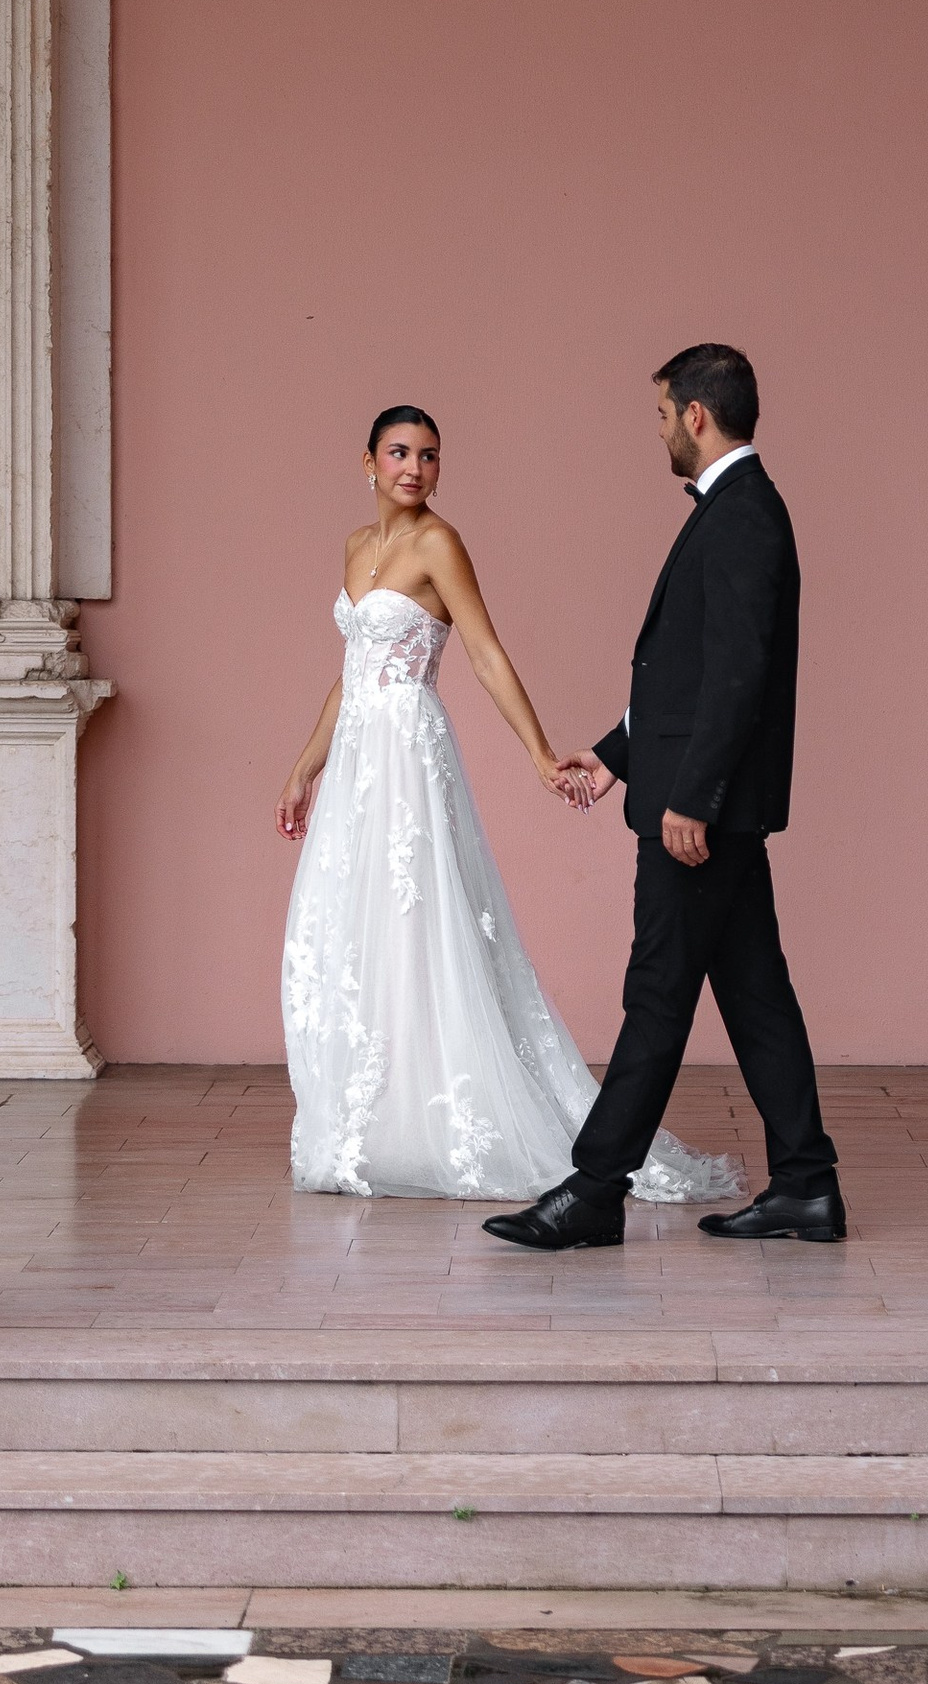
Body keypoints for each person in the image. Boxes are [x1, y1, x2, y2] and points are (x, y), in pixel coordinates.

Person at [277, 404, 742, 1204]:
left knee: (421, 921)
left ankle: (448, 1124)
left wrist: (537, 754)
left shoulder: (438, 544)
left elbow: (486, 651)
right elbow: (351, 673)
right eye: (398, 453)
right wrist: (303, 766)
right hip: (357, 761)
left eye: (428, 455)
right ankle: (374, 1124)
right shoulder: (356, 549)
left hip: (408, 757)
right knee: (352, 930)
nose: (414, 469)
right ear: (367, 463)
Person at [484, 343, 844, 1248]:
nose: (657, 432)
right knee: (757, 997)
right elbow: (680, 678)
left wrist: (694, 798)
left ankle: (594, 1190)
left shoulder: (745, 517)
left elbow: (737, 680)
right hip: (698, 797)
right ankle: (805, 1184)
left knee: (656, 995)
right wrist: (615, 756)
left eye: (659, 415)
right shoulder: (734, 512)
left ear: (694, 415)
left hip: (699, 818)